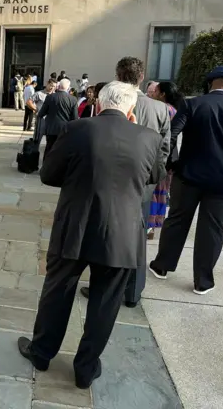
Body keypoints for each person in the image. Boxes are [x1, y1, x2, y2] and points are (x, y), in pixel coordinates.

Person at [18, 81, 165, 389]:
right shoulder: (149, 138)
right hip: (122, 234)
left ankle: (42, 352)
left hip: (76, 226)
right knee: (105, 303)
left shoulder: (78, 129)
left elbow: (48, 174)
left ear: (98, 104)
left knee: (57, 292)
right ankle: (85, 369)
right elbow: (154, 176)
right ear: (131, 110)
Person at [149, 66, 223, 295]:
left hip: (189, 174)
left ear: (210, 84)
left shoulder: (192, 104)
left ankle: (162, 266)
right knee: (212, 229)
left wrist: (172, 162)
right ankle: (203, 281)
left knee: (177, 220)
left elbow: (171, 134)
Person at [80, 57, 170, 307]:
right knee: (136, 237)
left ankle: (101, 287)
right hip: (142, 185)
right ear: (142, 78)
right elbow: (165, 151)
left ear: (117, 75)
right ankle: (132, 292)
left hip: (103, 183)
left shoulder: (106, 102)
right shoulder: (159, 109)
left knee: (102, 234)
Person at [147, 82, 184, 239]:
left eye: (155, 91)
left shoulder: (163, 109)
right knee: (162, 192)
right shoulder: (175, 110)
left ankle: (149, 225)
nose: (152, 94)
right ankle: (155, 224)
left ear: (162, 94)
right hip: (170, 157)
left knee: (154, 191)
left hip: (160, 155)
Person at [38, 78, 78, 160]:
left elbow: (41, 113)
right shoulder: (73, 99)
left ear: (58, 86)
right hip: (65, 129)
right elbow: (74, 118)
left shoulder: (50, 97)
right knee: (62, 150)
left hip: (51, 128)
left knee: (49, 148)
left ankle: (46, 168)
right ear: (68, 87)